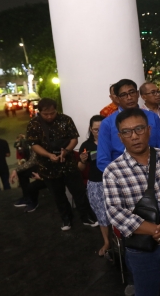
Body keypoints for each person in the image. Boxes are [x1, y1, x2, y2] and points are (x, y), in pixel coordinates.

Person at [103, 108, 160, 296]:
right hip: (141, 249)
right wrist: (157, 230)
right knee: (146, 292)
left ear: (149, 130)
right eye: (127, 132)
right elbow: (115, 212)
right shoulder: (113, 171)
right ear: (120, 137)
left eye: (139, 129)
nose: (134, 136)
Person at [26, 98, 97, 230]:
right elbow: (33, 144)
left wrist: (67, 151)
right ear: (39, 112)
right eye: (45, 114)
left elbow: (74, 139)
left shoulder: (66, 119)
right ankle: (66, 219)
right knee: (58, 195)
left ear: (56, 110)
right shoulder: (33, 124)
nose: (49, 116)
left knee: (79, 192)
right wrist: (48, 155)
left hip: (68, 163)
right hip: (47, 166)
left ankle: (87, 217)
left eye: (52, 113)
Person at [97, 79, 160, 173]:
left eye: (132, 93)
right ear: (117, 99)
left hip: (154, 171)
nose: (129, 97)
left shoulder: (152, 117)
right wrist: (124, 175)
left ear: (138, 94)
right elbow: (103, 161)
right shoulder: (107, 123)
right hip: (123, 176)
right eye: (123, 95)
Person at [78, 115, 110, 257]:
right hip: (96, 183)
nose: (99, 132)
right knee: (102, 215)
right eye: (96, 129)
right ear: (91, 129)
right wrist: (83, 161)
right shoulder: (86, 145)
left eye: (101, 129)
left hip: (113, 181)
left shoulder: (113, 141)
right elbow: (80, 168)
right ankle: (107, 241)